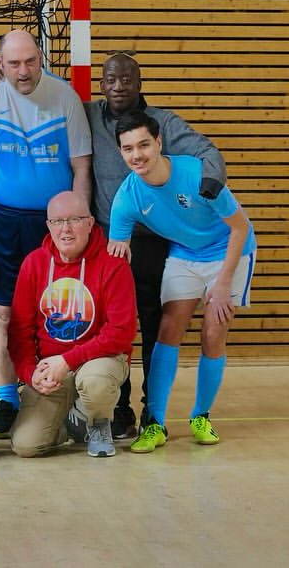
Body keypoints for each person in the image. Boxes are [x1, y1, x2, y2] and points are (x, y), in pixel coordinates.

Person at [86, 51, 226, 437]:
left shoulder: (161, 122)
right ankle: (118, 407)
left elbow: (207, 151)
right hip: (109, 240)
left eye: (126, 79)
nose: (118, 86)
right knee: (112, 324)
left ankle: (152, 410)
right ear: (101, 84)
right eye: (111, 79)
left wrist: (209, 188)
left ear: (139, 83)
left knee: (152, 324)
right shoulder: (88, 115)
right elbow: (45, 107)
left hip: (152, 243)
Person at [0, 29, 92, 439]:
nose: (23, 71)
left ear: (41, 60)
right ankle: (6, 398)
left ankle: (66, 396)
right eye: (14, 63)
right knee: (4, 314)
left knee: (61, 310)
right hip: (3, 224)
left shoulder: (65, 98)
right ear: (0, 64)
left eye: (30, 61)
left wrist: (78, 223)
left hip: (54, 226)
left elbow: (82, 169)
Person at [109, 111, 256, 453]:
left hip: (230, 250)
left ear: (159, 143)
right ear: (120, 152)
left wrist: (222, 284)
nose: (137, 155)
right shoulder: (127, 197)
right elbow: (116, 252)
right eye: (128, 148)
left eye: (144, 145)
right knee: (168, 328)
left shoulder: (196, 174)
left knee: (214, 332)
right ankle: (155, 423)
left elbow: (240, 227)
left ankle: (200, 416)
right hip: (186, 253)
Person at [8, 192, 137, 458]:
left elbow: (121, 332)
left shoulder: (113, 263)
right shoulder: (34, 263)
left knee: (95, 380)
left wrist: (68, 360)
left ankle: (99, 423)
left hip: (99, 360)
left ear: (90, 223)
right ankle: (72, 422)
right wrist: (30, 373)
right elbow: (19, 331)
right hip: (53, 368)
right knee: (26, 445)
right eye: (57, 221)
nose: (65, 229)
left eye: (74, 220)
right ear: (48, 226)